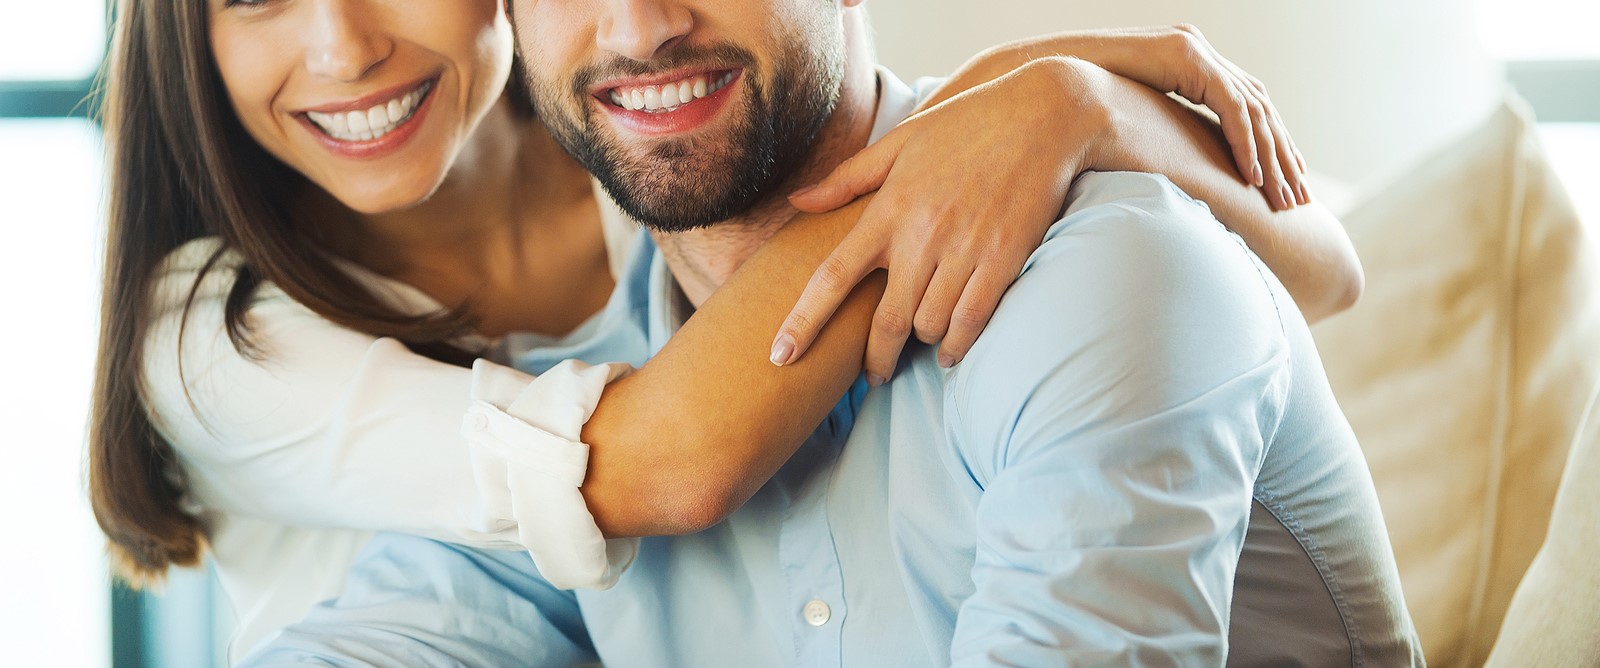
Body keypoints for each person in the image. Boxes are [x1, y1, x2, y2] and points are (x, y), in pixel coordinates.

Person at [90, 0, 1352, 663]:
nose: (637, 28)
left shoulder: (1101, 278)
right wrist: (1044, 98)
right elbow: (634, 469)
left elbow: (1318, 268)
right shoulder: (549, 401)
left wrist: (1075, 111)